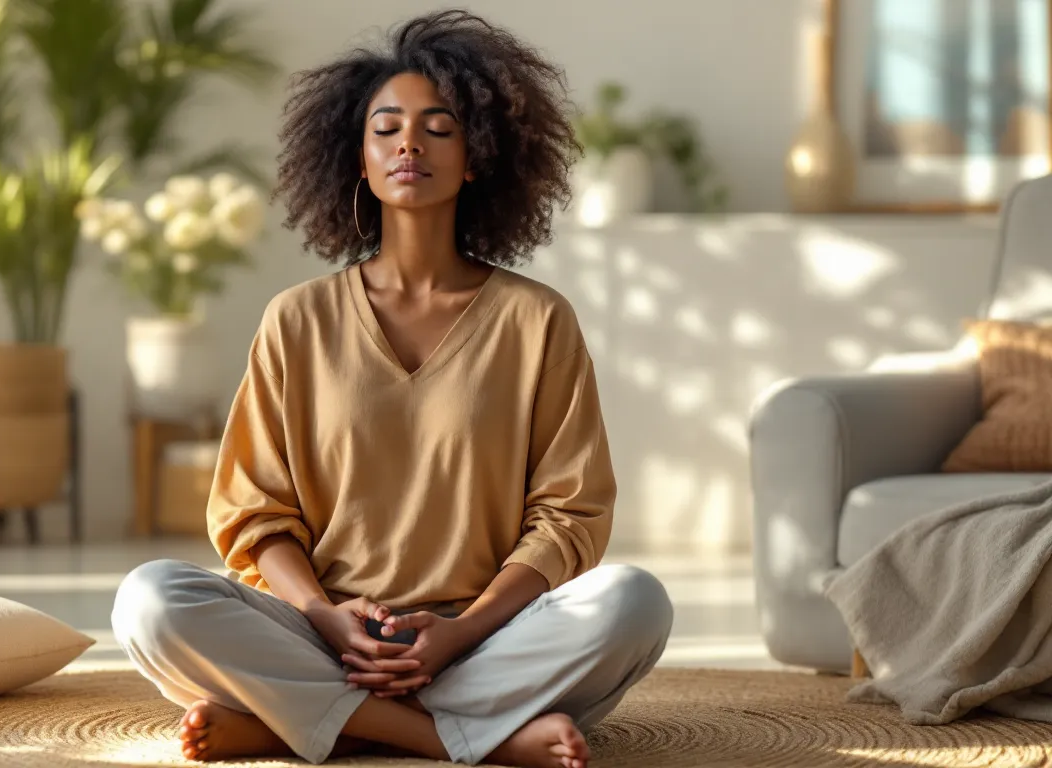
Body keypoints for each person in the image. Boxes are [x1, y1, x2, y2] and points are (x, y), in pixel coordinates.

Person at [111, 10, 672, 768]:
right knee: (150, 601)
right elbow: (253, 514)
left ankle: (301, 722)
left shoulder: (537, 321)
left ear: (477, 156)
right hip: (322, 634)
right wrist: (325, 616)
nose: (411, 143)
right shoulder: (297, 320)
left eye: (440, 127)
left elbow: (569, 516)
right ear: (359, 159)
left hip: (483, 637)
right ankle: (463, 739)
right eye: (388, 127)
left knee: (634, 603)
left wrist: (460, 633)